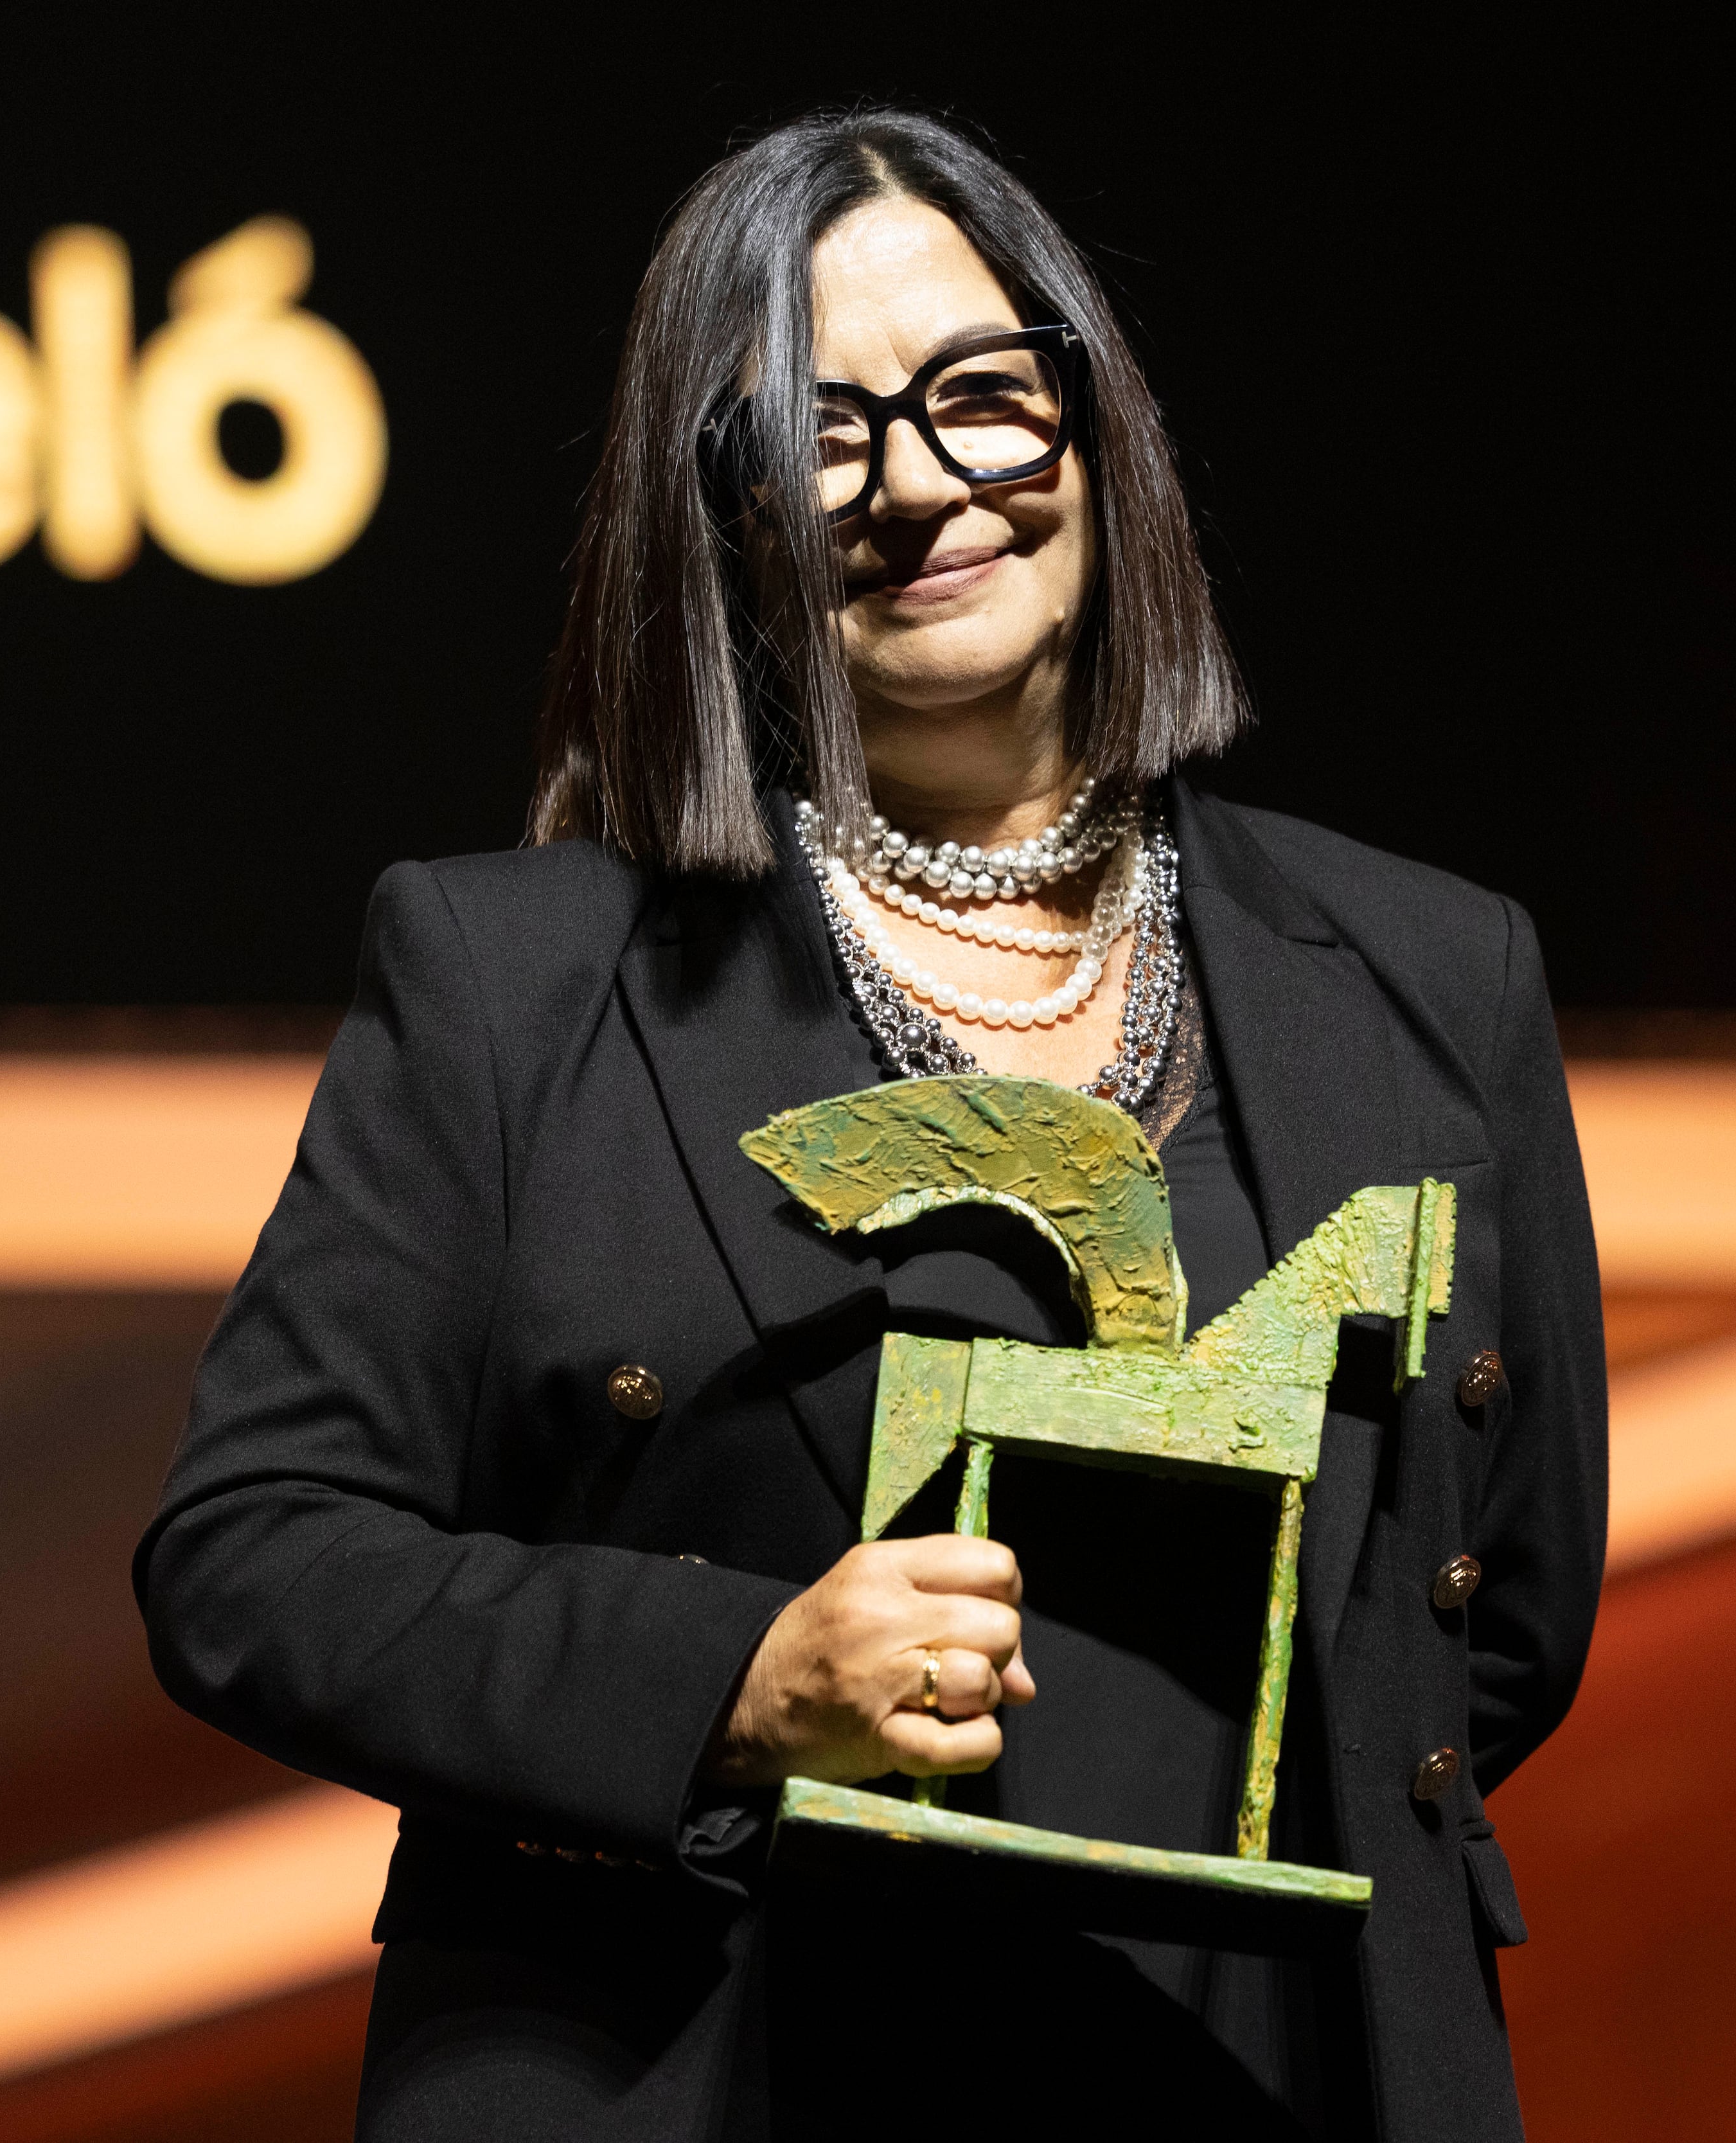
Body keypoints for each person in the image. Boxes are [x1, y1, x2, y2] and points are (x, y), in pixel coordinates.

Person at [136, 106, 1605, 2142]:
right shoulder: (515, 980)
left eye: (984, 399)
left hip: (1281, 2075)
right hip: (722, 2058)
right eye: (818, 437)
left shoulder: (1438, 973)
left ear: (1095, 432)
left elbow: (1503, 1622)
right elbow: (251, 1558)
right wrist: (734, 1686)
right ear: (719, 519)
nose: (923, 484)